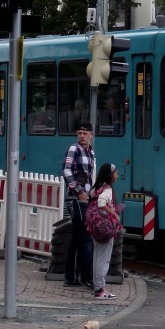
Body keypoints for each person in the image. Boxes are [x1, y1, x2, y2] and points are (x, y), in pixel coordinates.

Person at [61, 122, 96, 290]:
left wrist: (91, 194)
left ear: (91, 135)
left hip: (85, 199)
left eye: (85, 133)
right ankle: (86, 277)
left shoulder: (91, 152)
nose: (82, 135)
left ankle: (70, 276)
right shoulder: (74, 149)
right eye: (80, 132)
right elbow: (66, 170)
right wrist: (80, 190)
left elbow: (90, 176)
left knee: (76, 238)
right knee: (86, 238)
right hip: (77, 199)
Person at [91, 162, 120, 299]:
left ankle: (97, 287)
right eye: (115, 172)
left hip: (95, 226)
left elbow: (93, 200)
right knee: (104, 259)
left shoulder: (96, 188)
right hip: (105, 227)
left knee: (97, 258)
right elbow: (101, 203)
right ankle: (100, 290)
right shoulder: (107, 189)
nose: (117, 175)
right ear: (110, 174)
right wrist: (113, 213)